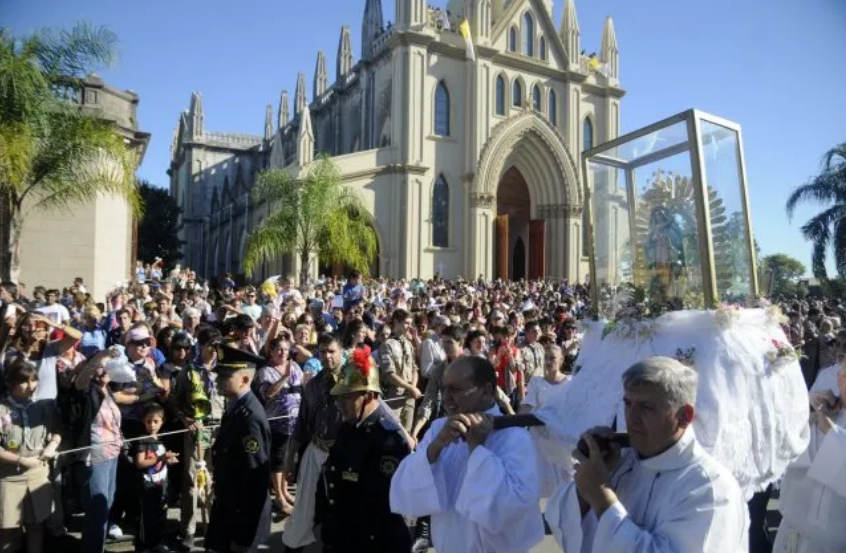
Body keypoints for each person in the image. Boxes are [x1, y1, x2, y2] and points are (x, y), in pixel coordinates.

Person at [545, 356, 749, 553]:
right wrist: (586, 485)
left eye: (647, 407)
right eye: (628, 403)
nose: (632, 418)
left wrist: (601, 499)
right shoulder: (620, 460)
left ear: (684, 416)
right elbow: (558, 519)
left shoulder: (709, 489)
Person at [390, 356, 544, 553]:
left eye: (455, 389)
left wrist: (477, 449)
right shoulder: (438, 429)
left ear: (487, 390)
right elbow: (406, 490)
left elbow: (511, 508)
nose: (446, 398)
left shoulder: (515, 437)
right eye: (444, 389)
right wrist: (433, 450)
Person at [313, 345, 412, 552]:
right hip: (342, 536)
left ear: (369, 396)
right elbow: (329, 477)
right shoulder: (347, 428)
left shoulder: (389, 439)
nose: (340, 405)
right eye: (339, 398)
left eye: (347, 397)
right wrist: (321, 521)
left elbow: (381, 504)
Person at [205, 342, 272, 553]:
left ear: (244, 379)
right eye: (219, 374)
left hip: (241, 515)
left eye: (225, 375)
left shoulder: (249, 417)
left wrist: (244, 531)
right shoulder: (236, 407)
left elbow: (255, 478)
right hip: (229, 505)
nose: (218, 380)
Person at [281, 333, 345, 553]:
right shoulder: (312, 385)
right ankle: (294, 547)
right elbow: (301, 425)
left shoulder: (353, 382)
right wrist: (289, 459)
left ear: (341, 352)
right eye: (323, 351)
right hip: (316, 451)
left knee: (341, 509)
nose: (327, 356)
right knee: (304, 507)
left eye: (332, 351)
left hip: (343, 456)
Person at [772, 366, 846, 553]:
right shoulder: (823, 405)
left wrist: (831, 434)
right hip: (791, 536)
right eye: (844, 373)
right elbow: (779, 454)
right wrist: (802, 412)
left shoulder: (828, 425)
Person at [0, 359, 61, 553]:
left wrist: (52, 445)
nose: (30, 386)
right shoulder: (1, 409)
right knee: (8, 532)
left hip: (38, 475)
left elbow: (56, 431)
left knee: (36, 526)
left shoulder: (42, 406)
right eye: (24, 381)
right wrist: (22, 460)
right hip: (9, 477)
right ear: (11, 383)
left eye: (34, 380)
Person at [73, 348, 124, 553]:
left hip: (113, 454)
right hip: (95, 456)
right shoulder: (87, 390)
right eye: (99, 367)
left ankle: (97, 547)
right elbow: (81, 381)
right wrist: (101, 356)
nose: (103, 371)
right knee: (97, 507)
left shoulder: (107, 390)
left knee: (107, 503)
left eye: (107, 367)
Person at [254, 336, 302, 516]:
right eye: (279, 349)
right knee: (278, 460)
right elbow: (268, 393)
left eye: (286, 349)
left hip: (295, 422)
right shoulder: (265, 372)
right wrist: (284, 377)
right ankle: (279, 497)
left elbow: (302, 387)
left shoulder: (295, 366)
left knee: (289, 459)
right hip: (277, 422)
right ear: (271, 352)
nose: (283, 352)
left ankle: (285, 490)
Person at [519, 345, 572, 498]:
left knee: (567, 487)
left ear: (561, 360)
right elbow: (527, 406)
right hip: (541, 440)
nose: (548, 361)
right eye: (546, 357)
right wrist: (514, 424)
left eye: (552, 358)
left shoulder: (571, 382)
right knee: (541, 487)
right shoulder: (536, 382)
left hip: (562, 442)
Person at [132, 402, 179, 553]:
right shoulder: (143, 439)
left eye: (155, 421)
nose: (152, 425)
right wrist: (161, 458)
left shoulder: (160, 438)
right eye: (148, 421)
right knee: (148, 518)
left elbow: (160, 461)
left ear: (162, 421)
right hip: (148, 487)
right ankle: (144, 546)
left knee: (161, 515)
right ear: (143, 421)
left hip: (161, 485)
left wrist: (168, 460)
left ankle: (157, 543)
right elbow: (140, 463)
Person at [378, 309, 421, 432]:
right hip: (394, 396)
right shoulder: (387, 345)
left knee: (407, 433)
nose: (409, 327)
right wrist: (410, 388)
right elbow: (389, 374)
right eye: (406, 323)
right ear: (396, 321)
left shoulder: (408, 344)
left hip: (409, 397)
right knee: (391, 432)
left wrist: (413, 387)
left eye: (410, 323)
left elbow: (414, 368)